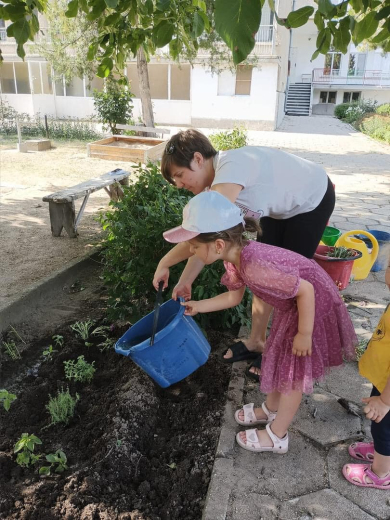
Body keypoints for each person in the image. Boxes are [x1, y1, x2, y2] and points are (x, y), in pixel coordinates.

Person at [163, 191, 357, 453]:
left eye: (194, 246)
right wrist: (198, 306)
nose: (192, 251)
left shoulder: (255, 265)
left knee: (293, 373)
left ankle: (278, 436)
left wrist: (304, 333)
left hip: (311, 309)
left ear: (218, 245)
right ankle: (271, 408)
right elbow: (234, 296)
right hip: (293, 310)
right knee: (279, 358)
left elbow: (307, 291)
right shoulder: (236, 259)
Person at [153, 129, 335, 381]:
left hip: (311, 199)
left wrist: (166, 262)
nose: (180, 185)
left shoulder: (231, 171)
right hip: (278, 210)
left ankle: (285, 351)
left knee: (286, 286)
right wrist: (185, 280)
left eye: (180, 175)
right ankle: (257, 341)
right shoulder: (216, 191)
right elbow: (204, 240)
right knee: (263, 282)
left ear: (198, 159)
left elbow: (205, 233)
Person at [343, 259, 390, 489]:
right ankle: (379, 451)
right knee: (381, 426)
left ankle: (381, 473)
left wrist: (384, 401)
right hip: (384, 379)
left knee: (384, 427)